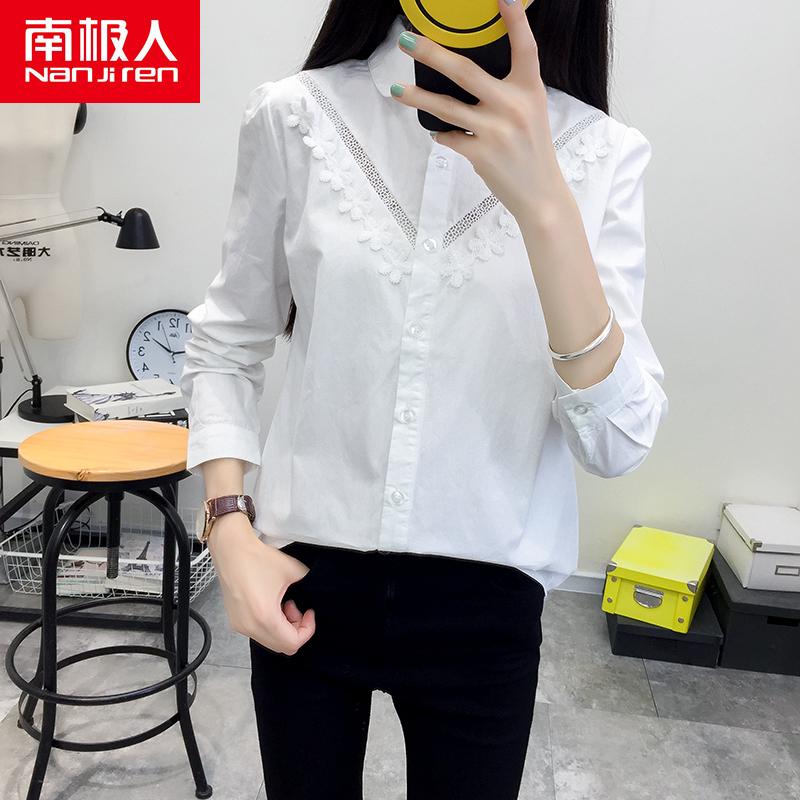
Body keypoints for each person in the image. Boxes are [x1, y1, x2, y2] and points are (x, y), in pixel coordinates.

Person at [179, 1, 669, 798]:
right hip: (299, 583)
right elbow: (228, 339)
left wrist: (547, 208)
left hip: (487, 609)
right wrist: (228, 529)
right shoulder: (297, 116)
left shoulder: (602, 153)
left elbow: (617, 441)